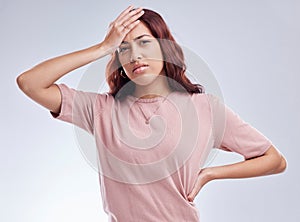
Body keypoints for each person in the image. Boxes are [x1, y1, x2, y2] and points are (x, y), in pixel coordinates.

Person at [17, 6, 286, 222]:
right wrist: (101, 48)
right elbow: (30, 82)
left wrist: (209, 174)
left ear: (164, 48)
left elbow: (273, 160)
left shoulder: (204, 107)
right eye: (124, 48)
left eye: (144, 42)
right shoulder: (100, 109)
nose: (135, 55)